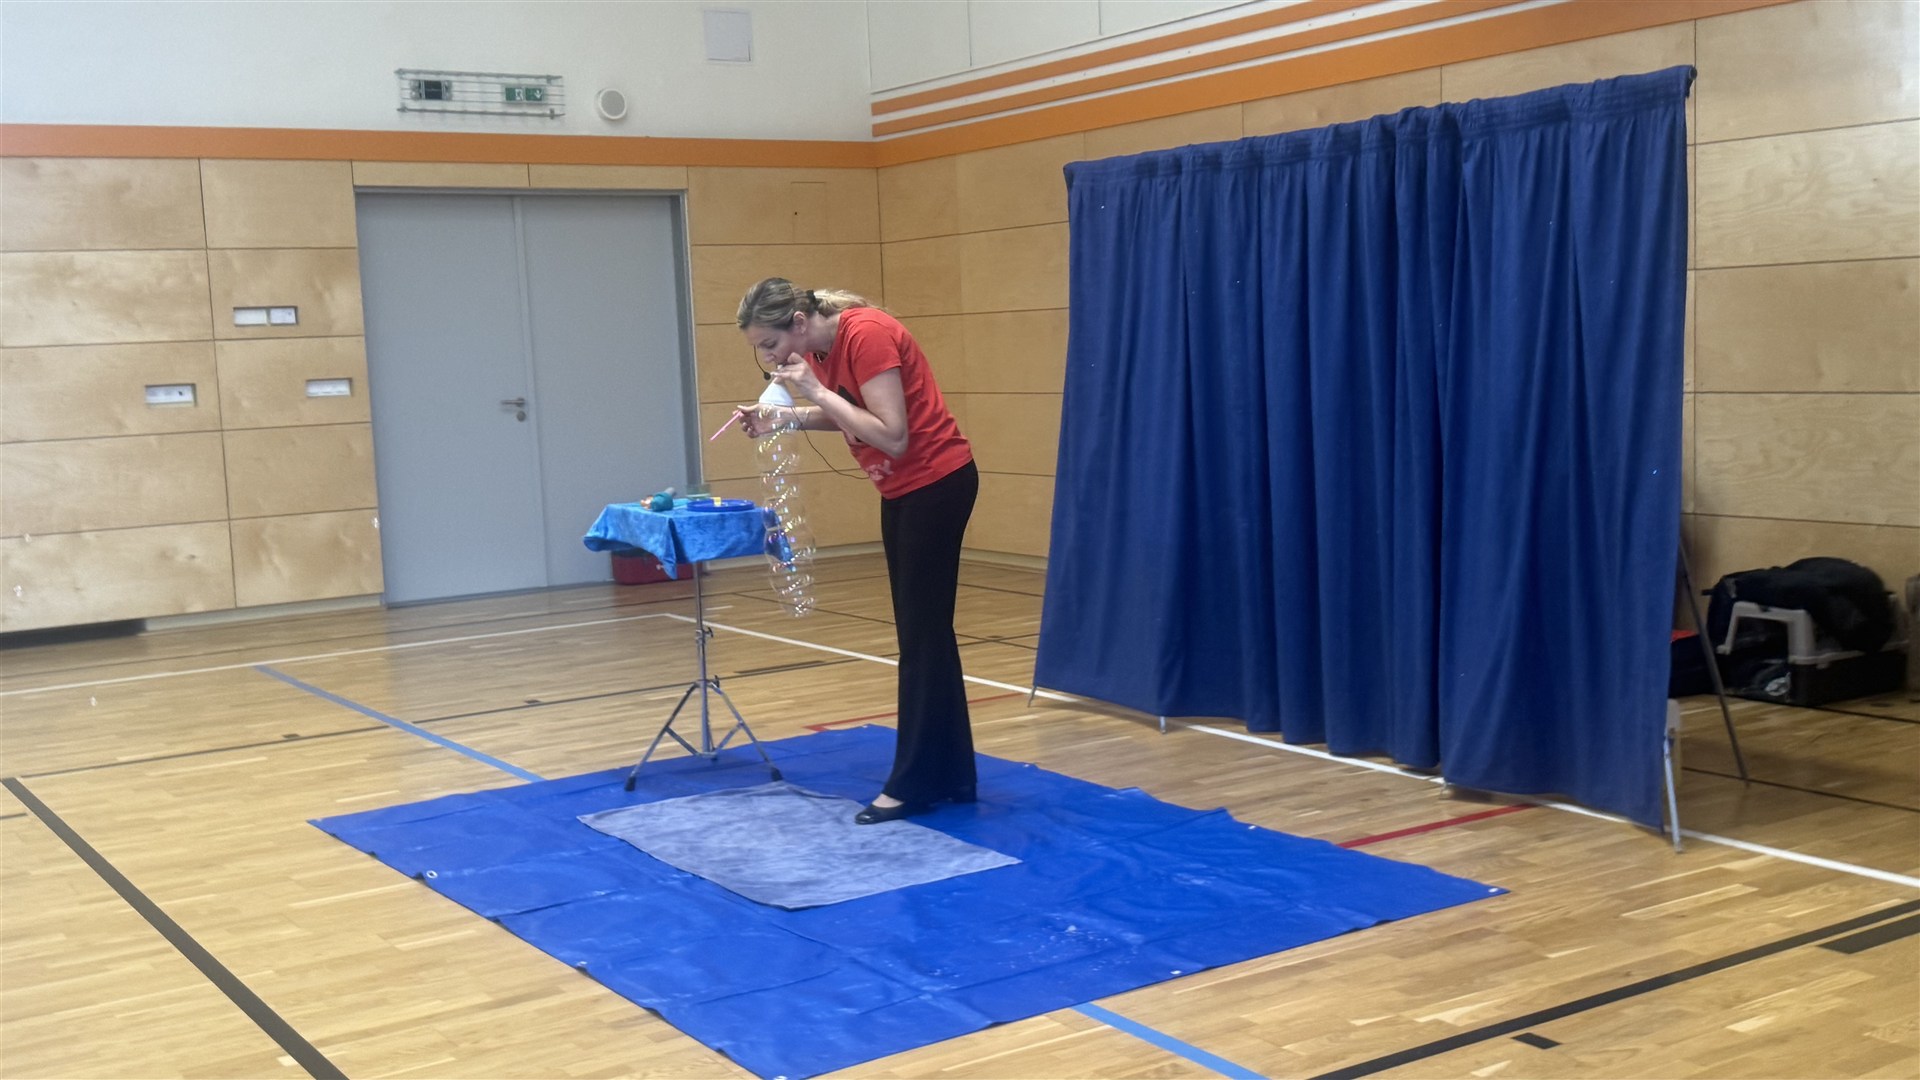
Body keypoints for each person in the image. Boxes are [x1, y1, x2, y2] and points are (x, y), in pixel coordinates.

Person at [733, 278, 978, 825]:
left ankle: (913, 782)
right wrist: (784, 417)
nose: (769, 358)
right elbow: (849, 411)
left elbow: (893, 435)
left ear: (799, 322)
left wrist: (812, 393)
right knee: (925, 635)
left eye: (771, 344)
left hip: (935, 484)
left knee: (921, 638)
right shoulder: (819, 351)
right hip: (902, 491)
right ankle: (952, 775)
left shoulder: (865, 334)